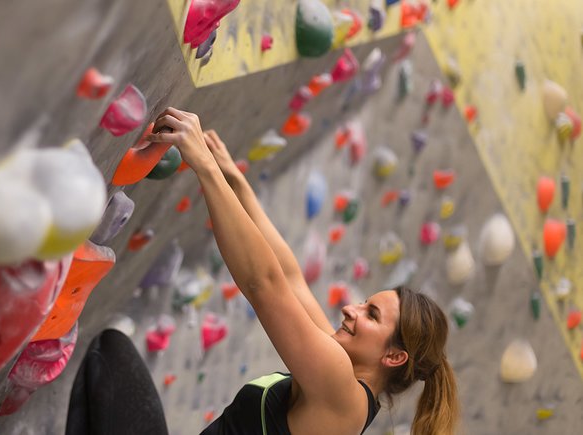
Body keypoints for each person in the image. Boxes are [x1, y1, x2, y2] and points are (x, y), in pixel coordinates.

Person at [66, 108, 459, 435]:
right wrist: (233, 178)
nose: (351, 310)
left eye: (371, 315)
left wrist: (205, 168)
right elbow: (288, 276)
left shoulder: (342, 395)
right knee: (112, 354)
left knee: (109, 357)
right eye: (364, 303)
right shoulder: (337, 368)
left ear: (393, 357)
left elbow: (264, 285)